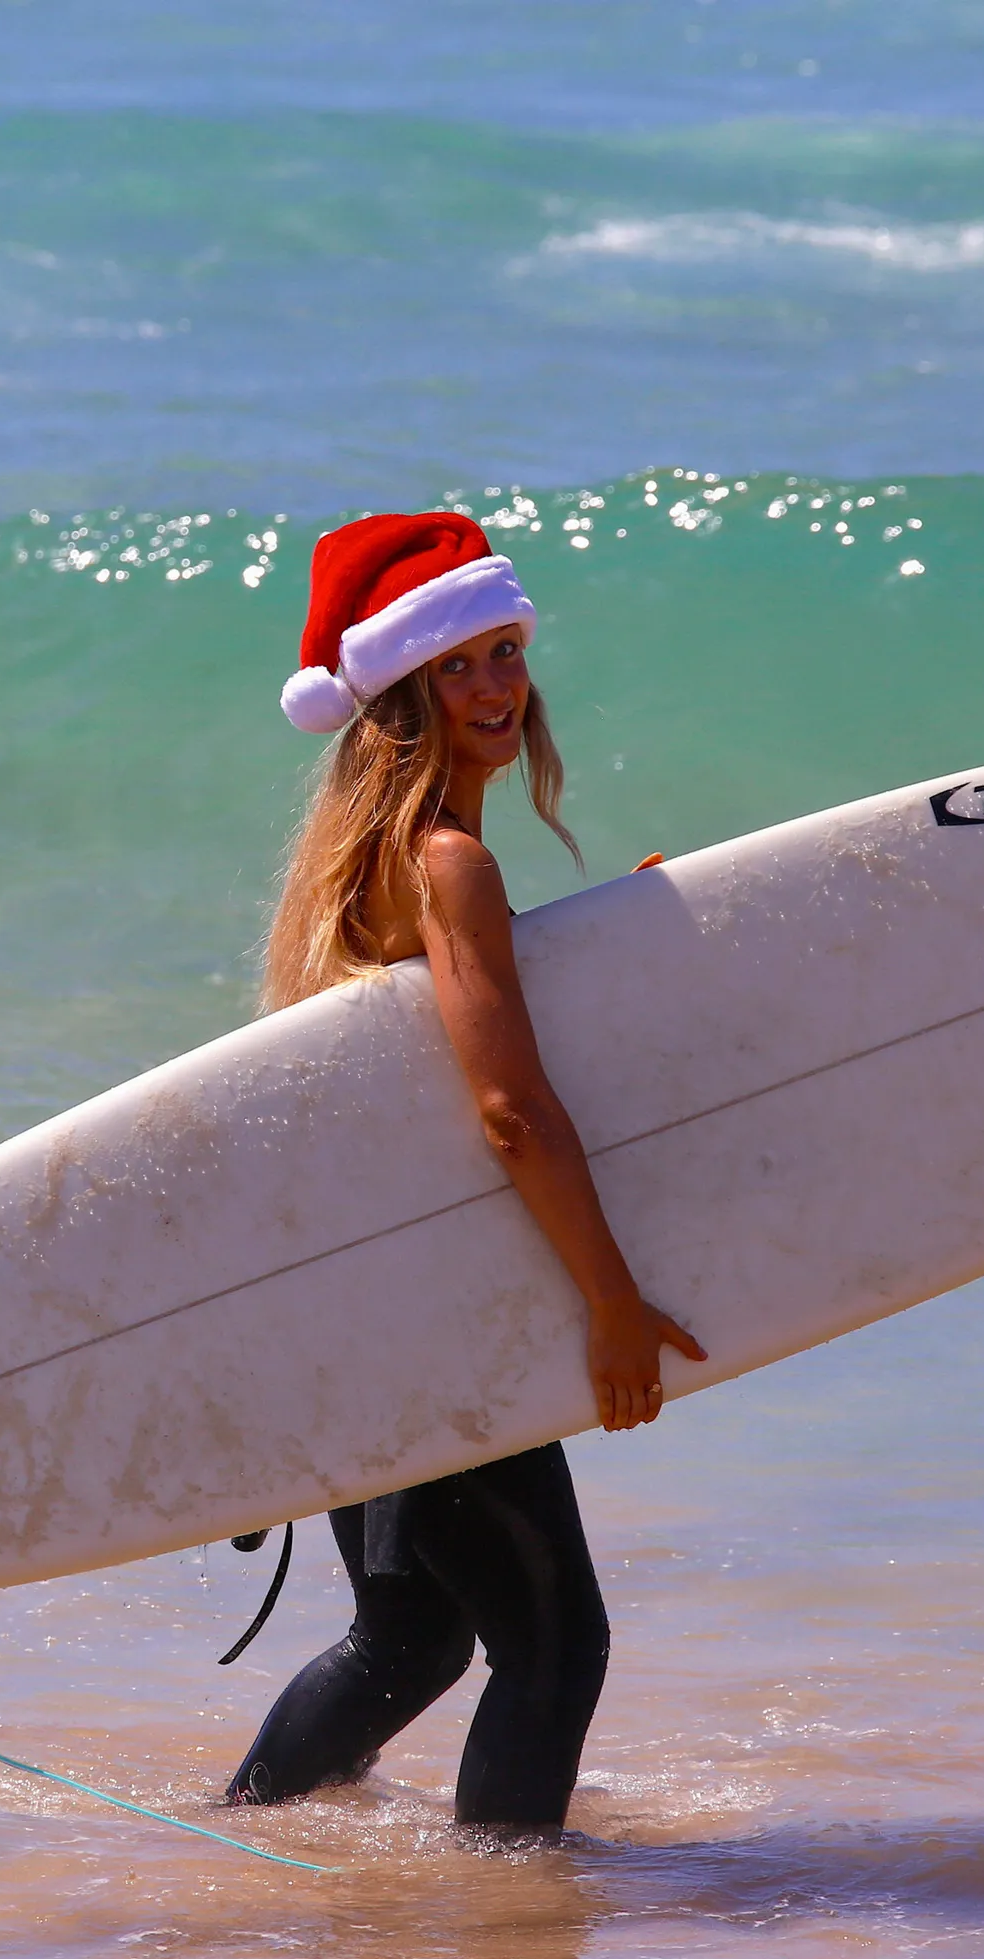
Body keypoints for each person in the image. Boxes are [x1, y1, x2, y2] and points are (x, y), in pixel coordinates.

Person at [226, 513, 706, 1833]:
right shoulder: (450, 862)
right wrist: (612, 1302)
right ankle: (509, 1918)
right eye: (459, 665)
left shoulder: (352, 865)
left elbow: (437, 1061)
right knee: (554, 1648)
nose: (496, 686)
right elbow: (509, 1112)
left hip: (353, 1303)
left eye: (507, 652)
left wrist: (613, 950)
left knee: (411, 1636)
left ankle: (248, 1832)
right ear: (402, 692)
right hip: (432, 1319)